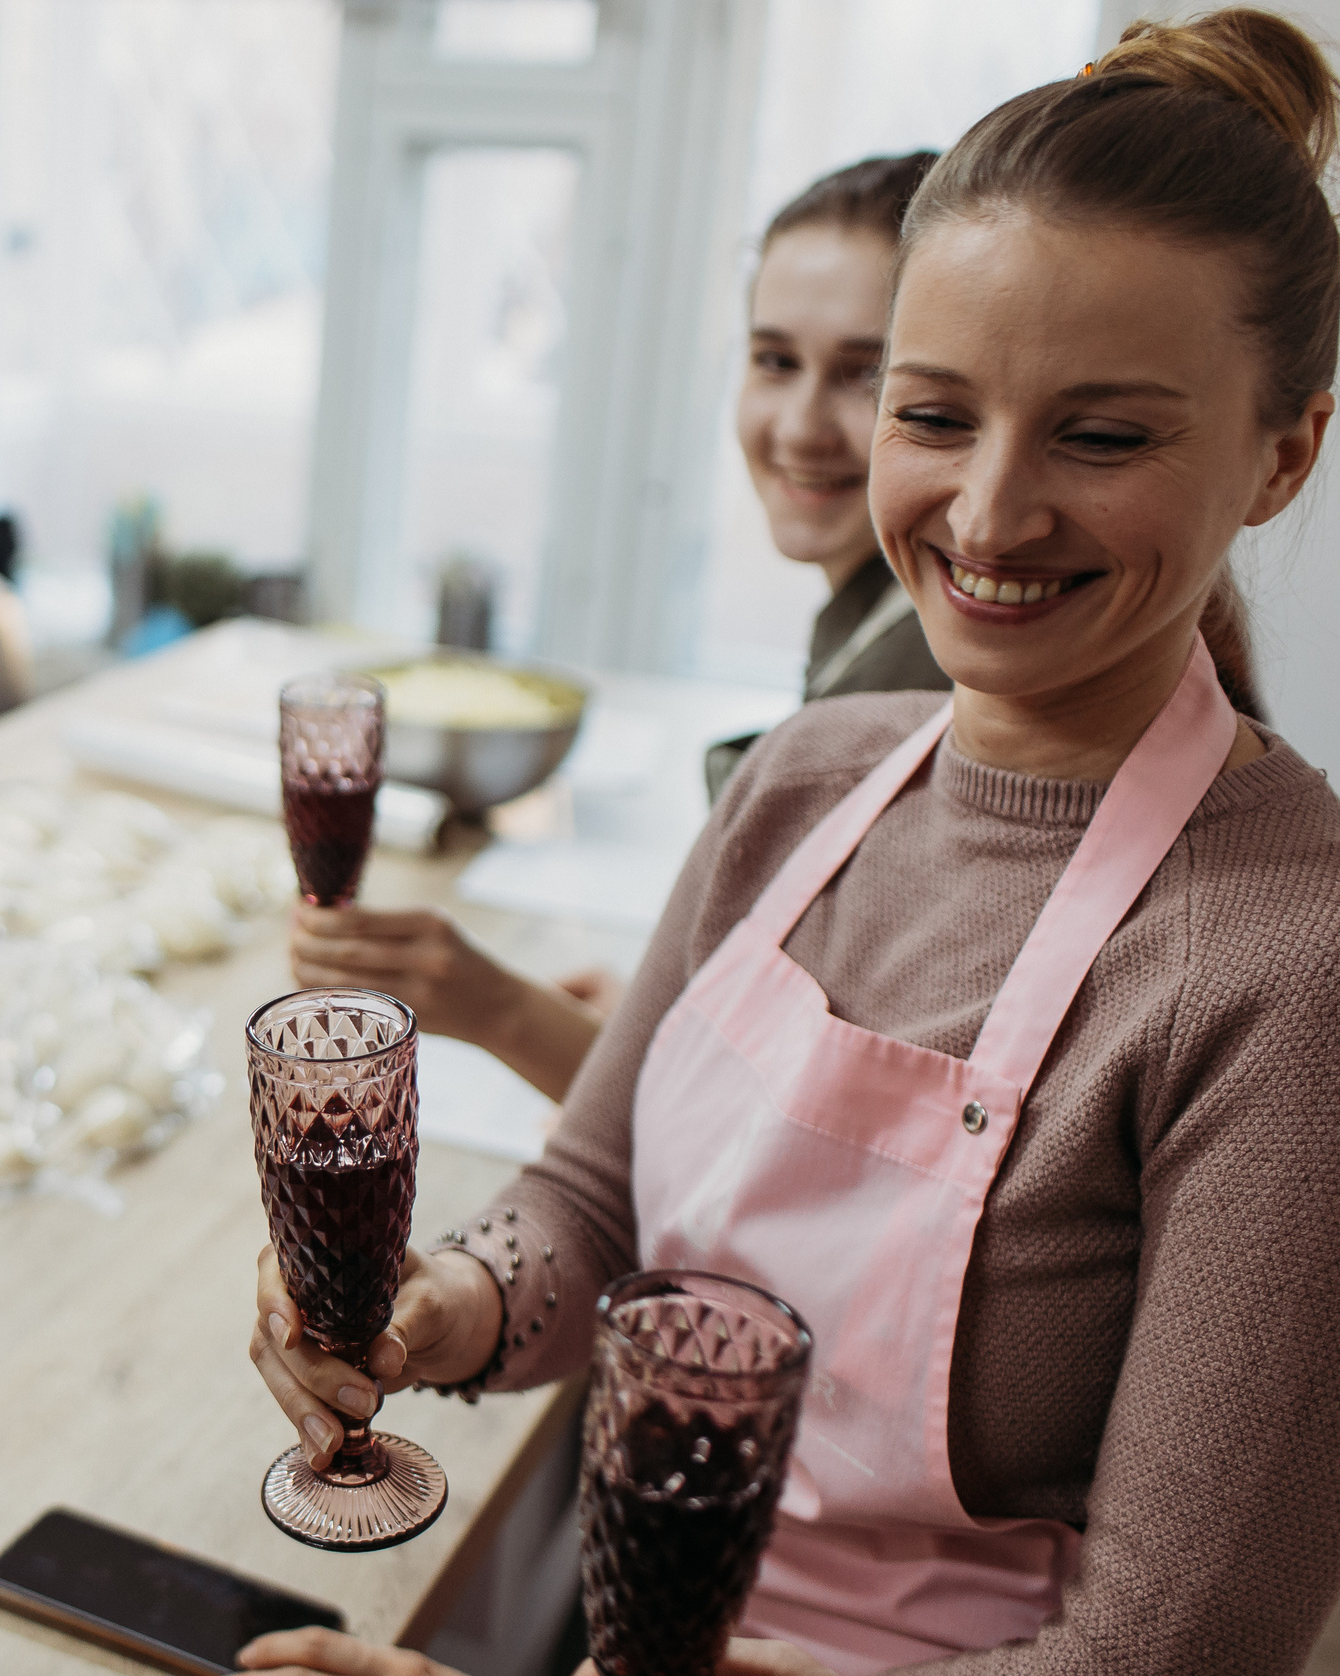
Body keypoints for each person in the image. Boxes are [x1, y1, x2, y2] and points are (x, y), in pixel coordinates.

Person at [232, 11, 1340, 1676]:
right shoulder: (804, 780)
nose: (987, 516)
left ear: (1284, 453)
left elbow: (1171, 1663)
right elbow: (596, 1203)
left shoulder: (1299, 973)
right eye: (936, 413)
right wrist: (438, 1306)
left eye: (1103, 436)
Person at [289, 153, 952, 1107]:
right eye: (773, 361)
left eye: (865, 374)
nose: (802, 424)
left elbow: (759, 1132)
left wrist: (496, 1007)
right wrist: (667, 1012)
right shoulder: (872, 613)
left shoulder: (919, 685)